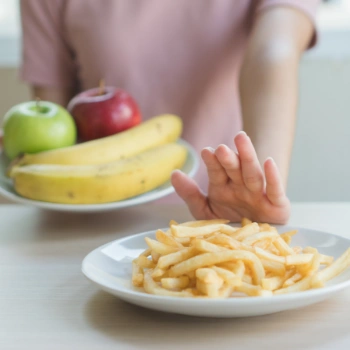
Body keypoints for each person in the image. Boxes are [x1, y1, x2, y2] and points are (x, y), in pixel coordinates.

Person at [20, 0, 320, 224]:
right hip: (92, 219)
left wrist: (261, 191)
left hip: (227, 217)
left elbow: (274, 52)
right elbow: (50, 120)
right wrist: (26, 166)